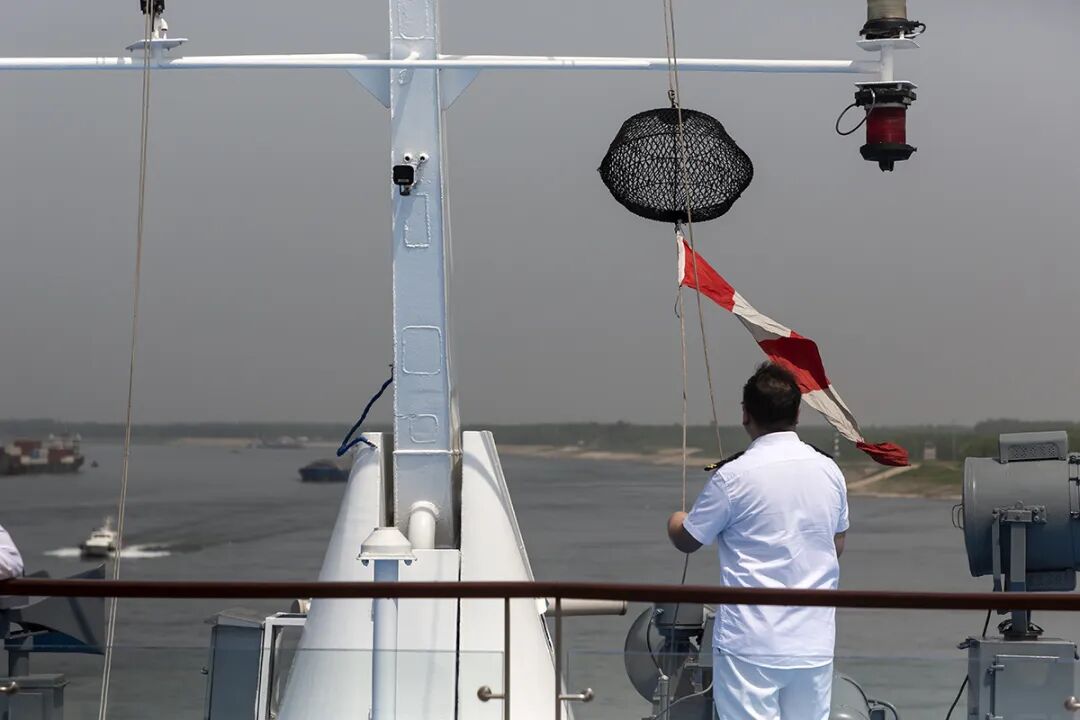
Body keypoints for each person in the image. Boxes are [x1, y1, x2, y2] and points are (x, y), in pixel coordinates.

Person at [667, 362, 848, 720]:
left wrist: (675, 522)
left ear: (746, 414)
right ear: (797, 413)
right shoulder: (829, 470)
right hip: (812, 640)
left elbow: (689, 540)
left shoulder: (734, 476)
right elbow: (836, 544)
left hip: (751, 643)